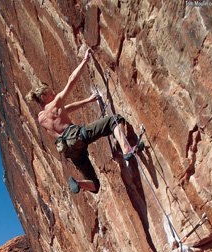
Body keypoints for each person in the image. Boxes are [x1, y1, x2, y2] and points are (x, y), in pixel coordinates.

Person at [26, 49, 140, 193]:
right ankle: (126, 149)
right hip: (76, 136)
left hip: (68, 150)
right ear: (43, 96)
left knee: (95, 185)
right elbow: (71, 80)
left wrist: (88, 100)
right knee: (114, 121)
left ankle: (79, 184)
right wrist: (85, 60)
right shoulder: (55, 103)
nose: (54, 93)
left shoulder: (41, 118)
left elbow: (66, 109)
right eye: (50, 92)